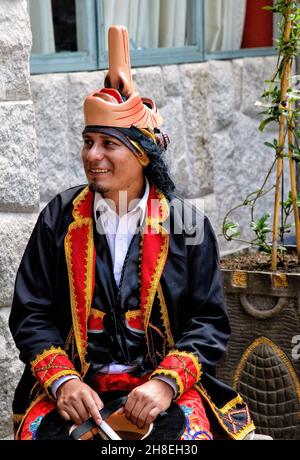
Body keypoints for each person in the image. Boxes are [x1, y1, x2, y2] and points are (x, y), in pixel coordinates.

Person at [9, 26, 255, 441]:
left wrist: (164, 384)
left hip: (160, 389)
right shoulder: (60, 218)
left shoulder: (187, 225)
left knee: (184, 441)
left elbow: (210, 321)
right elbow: (31, 312)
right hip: (77, 387)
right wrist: (63, 382)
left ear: (143, 155)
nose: (92, 156)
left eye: (108, 143)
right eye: (88, 142)